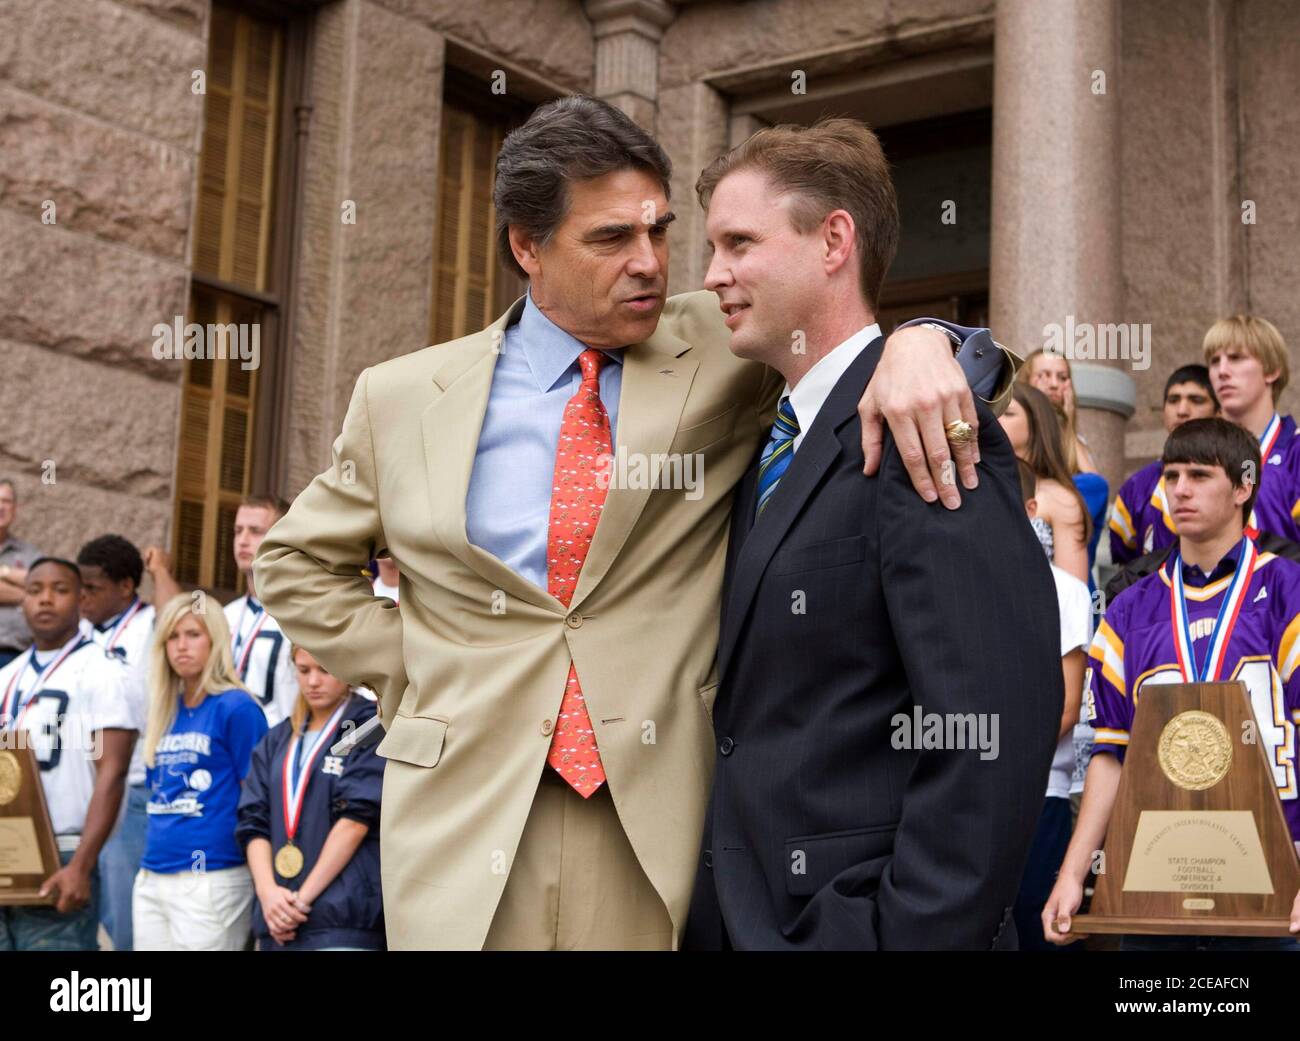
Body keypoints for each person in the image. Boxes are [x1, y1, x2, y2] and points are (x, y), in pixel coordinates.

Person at [253, 95, 1019, 951]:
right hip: (465, 813)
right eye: (612, 239)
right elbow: (291, 563)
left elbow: (835, 329)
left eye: (659, 231)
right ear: (526, 246)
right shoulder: (402, 396)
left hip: (659, 821)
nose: (652, 263)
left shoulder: (720, 339)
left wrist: (924, 340)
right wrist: (424, 666)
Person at [681, 118, 1060, 950]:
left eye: (739, 242)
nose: (712, 275)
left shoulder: (925, 424)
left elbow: (990, 728)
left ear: (833, 242)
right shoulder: (760, 438)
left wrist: (898, 934)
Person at [1043, 418, 1300, 948]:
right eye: (1172, 474)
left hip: (1278, 868)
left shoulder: (1287, 588)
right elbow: (1110, 755)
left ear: (1243, 486)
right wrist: (1073, 874)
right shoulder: (1128, 609)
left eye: (1200, 475)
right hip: (1156, 878)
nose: (1179, 489)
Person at [0, 558, 135, 951]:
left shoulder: (104, 670)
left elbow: (113, 772)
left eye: (59, 590)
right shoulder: (8, 676)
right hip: (8, 846)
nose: (45, 600)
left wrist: (81, 865)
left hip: (65, 849)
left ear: (81, 599)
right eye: (35, 590)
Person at [133, 595, 268, 950]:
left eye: (193, 634)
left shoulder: (237, 707)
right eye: (172, 637)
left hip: (213, 874)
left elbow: (257, 798)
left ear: (215, 639)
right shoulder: (164, 709)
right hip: (153, 871)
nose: (181, 646)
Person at [237, 646, 384, 950]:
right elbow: (253, 822)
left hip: (342, 919)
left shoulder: (369, 726)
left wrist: (300, 904)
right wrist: (268, 896)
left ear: (347, 669)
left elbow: (356, 820)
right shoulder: (276, 738)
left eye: (324, 669)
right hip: (278, 921)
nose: (313, 681)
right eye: (304, 671)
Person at [1010, 461, 1092, 950]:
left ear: (1032, 511)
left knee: (1038, 931)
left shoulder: (1065, 591)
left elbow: (1065, 705)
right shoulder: (957, 587)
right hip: (968, 795)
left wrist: (1000, 760)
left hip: (1039, 792)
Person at [147, 496, 298, 727]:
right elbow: (174, 621)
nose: (243, 541)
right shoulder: (225, 615)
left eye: (255, 531)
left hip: (278, 747)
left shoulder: (304, 615)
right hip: (222, 743)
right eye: (238, 531)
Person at [77, 534, 157, 951]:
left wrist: (161, 572)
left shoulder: (152, 626)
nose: (82, 598)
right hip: (81, 787)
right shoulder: (80, 633)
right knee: (84, 903)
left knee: (124, 913)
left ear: (126, 586)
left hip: (133, 783)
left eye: (93, 589)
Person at [1108, 364, 1219, 566]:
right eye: (1173, 400)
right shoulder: (1135, 487)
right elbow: (1125, 568)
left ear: (1219, 411)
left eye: (1196, 400)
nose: (1182, 410)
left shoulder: (1233, 479)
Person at [1203, 315, 1300, 543]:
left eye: (1236, 358)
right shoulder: (1194, 456)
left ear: (1272, 370)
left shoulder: (1295, 451)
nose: (1222, 371)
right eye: (1214, 361)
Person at [999, 382, 1091, 585]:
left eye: (1008, 413)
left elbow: (1074, 592)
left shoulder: (1061, 498)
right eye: (993, 411)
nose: (996, 419)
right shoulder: (977, 484)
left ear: (1036, 422)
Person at [0, 478, 42, 668]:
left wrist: (4, 571)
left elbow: (42, 587)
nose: (1, 507)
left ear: (15, 509)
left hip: (18, 657)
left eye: (6, 501)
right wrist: (26, 594)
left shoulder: (29, 554)